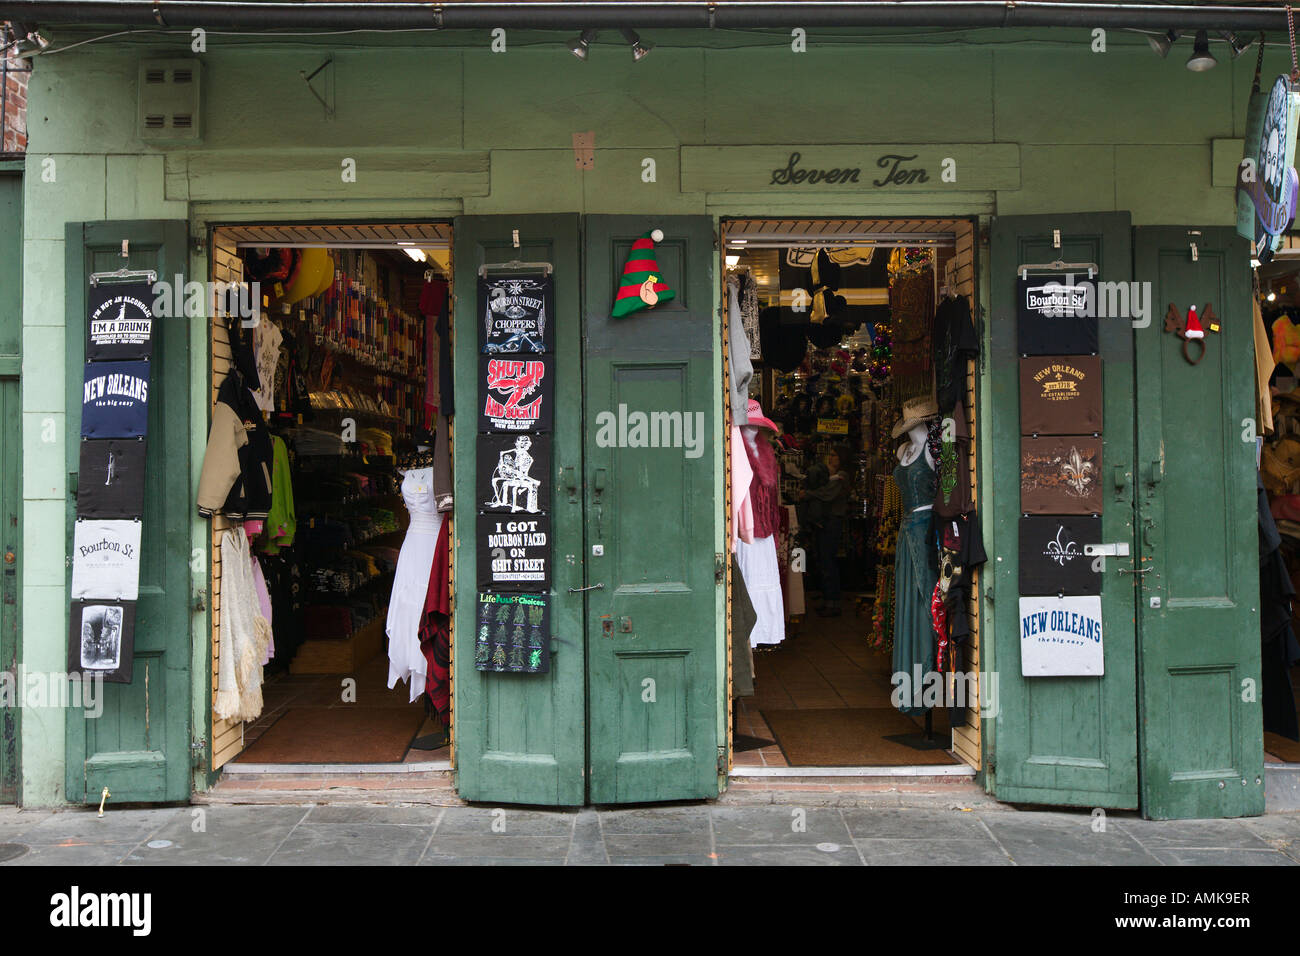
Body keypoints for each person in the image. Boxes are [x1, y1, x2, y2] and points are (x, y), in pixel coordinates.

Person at [798, 444, 853, 616]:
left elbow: (828, 494)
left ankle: (832, 603)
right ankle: (829, 600)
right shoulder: (834, 476)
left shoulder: (842, 476)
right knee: (824, 560)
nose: (831, 458)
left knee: (828, 561)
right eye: (831, 455)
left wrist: (807, 494)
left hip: (832, 522)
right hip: (827, 521)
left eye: (835, 455)